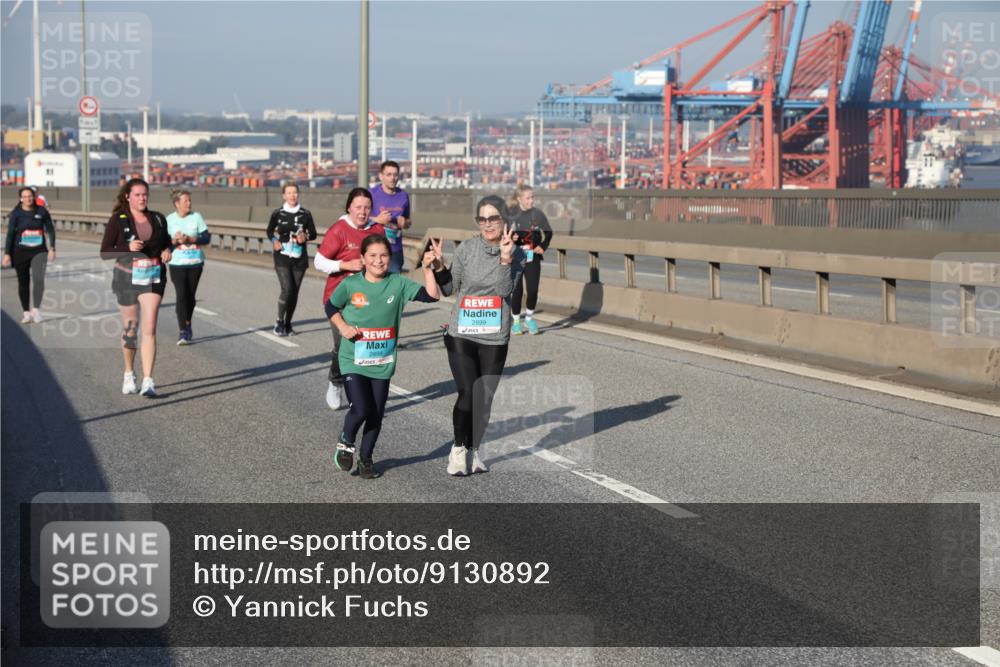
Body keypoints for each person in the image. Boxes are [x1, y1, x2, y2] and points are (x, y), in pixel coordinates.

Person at [327, 235, 441, 479]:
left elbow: (432, 296)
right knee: (361, 408)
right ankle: (346, 440)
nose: (379, 261)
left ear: (390, 258)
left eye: (384, 256)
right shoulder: (351, 285)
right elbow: (330, 307)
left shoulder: (398, 283)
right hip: (353, 359)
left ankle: (366, 460)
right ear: (363, 259)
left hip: (382, 361)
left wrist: (428, 269)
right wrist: (343, 327)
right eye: (373, 256)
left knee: (376, 414)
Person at [428, 195, 524, 476]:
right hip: (462, 332)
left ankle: (474, 449)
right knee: (468, 392)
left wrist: (505, 258)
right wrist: (438, 268)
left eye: (493, 218)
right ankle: (458, 448)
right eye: (482, 219)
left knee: (484, 399)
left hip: (494, 335)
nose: (488, 224)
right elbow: (449, 289)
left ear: (505, 220)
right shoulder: (467, 249)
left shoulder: (517, 254)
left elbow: (505, 291)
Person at [99, 177, 172, 397]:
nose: (142, 198)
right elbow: (105, 252)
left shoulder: (158, 218)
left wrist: (168, 250)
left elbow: (166, 241)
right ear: (127, 196)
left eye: (145, 194)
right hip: (127, 278)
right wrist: (127, 247)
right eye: (138, 194)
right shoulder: (118, 220)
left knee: (149, 328)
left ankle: (149, 380)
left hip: (153, 277)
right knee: (131, 330)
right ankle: (129, 373)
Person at [314, 188, 385, 410]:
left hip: (367, 299)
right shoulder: (339, 230)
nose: (362, 212)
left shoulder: (377, 230)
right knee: (344, 343)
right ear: (349, 208)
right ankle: (336, 383)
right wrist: (344, 265)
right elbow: (319, 261)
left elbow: (383, 259)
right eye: (358, 207)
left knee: (364, 346)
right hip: (339, 300)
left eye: (366, 208)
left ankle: (358, 391)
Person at [266, 182, 317, 336]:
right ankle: (279, 322)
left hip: (299, 258)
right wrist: (274, 241)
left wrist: (305, 237)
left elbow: (313, 233)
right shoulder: (277, 213)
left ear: (298, 194)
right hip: (281, 256)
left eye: (294, 192)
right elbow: (269, 231)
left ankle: (288, 325)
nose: (292, 196)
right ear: (284, 195)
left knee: (294, 292)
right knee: (287, 289)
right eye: (289, 193)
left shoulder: (305, 214)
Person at [3, 186, 55, 323]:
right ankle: (26, 312)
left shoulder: (41, 211)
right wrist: (7, 253)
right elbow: (10, 234)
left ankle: (36, 310)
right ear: (21, 199)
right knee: (23, 282)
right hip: (20, 252)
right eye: (25, 197)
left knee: (38, 281)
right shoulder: (16, 214)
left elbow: (50, 229)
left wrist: (52, 248)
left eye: (30, 196)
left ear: (34, 197)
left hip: (39, 251)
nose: (28, 199)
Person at [166, 189, 211, 345]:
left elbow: (206, 238)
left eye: (190, 200)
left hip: (195, 263)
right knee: (181, 295)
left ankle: (188, 322)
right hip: (177, 263)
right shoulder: (169, 220)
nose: (189, 203)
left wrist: (191, 238)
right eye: (186, 201)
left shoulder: (196, 217)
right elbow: (164, 242)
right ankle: (182, 331)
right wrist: (175, 240)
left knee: (190, 297)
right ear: (177, 203)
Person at [508, 184, 552, 335]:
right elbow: (503, 234)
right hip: (515, 256)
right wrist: (510, 237)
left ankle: (529, 318)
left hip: (533, 256)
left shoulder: (537, 214)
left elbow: (549, 232)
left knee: (532, 290)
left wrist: (543, 245)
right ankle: (515, 322)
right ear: (520, 199)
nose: (531, 200)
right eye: (528, 198)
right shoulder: (512, 214)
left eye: (532, 197)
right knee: (517, 291)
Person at [370, 160, 411, 274]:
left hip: (395, 251)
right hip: (375, 250)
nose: (392, 178)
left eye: (395, 175)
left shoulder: (403, 196)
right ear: (381, 176)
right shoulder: (372, 194)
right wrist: (377, 220)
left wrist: (405, 223)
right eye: (388, 174)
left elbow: (408, 221)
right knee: (375, 286)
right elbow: (359, 220)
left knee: (393, 289)